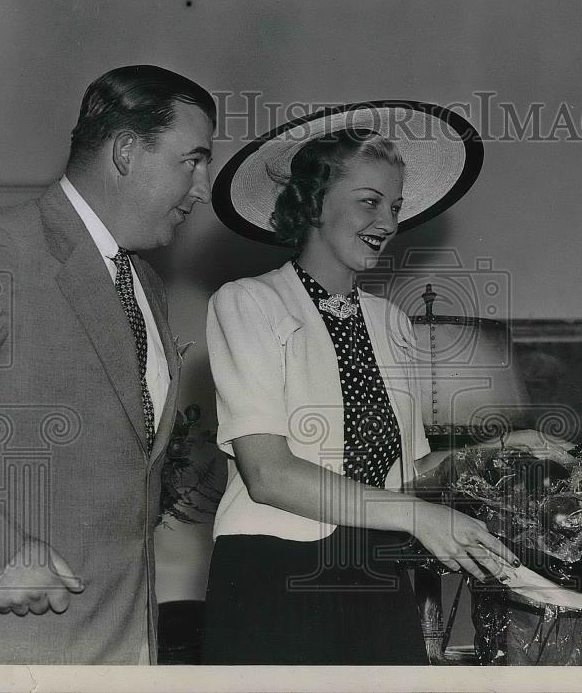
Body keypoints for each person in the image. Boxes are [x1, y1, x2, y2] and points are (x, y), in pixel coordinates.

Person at [201, 103, 520, 665]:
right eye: (370, 202)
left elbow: (410, 471)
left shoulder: (391, 321)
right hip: (277, 573)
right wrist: (421, 518)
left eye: (394, 207)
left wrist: (508, 449)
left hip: (380, 571)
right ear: (312, 204)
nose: (390, 223)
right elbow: (269, 474)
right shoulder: (248, 303)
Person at [0, 65, 216, 663]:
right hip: (17, 648)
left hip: (122, 644)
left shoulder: (145, 282)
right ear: (126, 150)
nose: (202, 188)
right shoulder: (1, 252)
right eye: (193, 160)